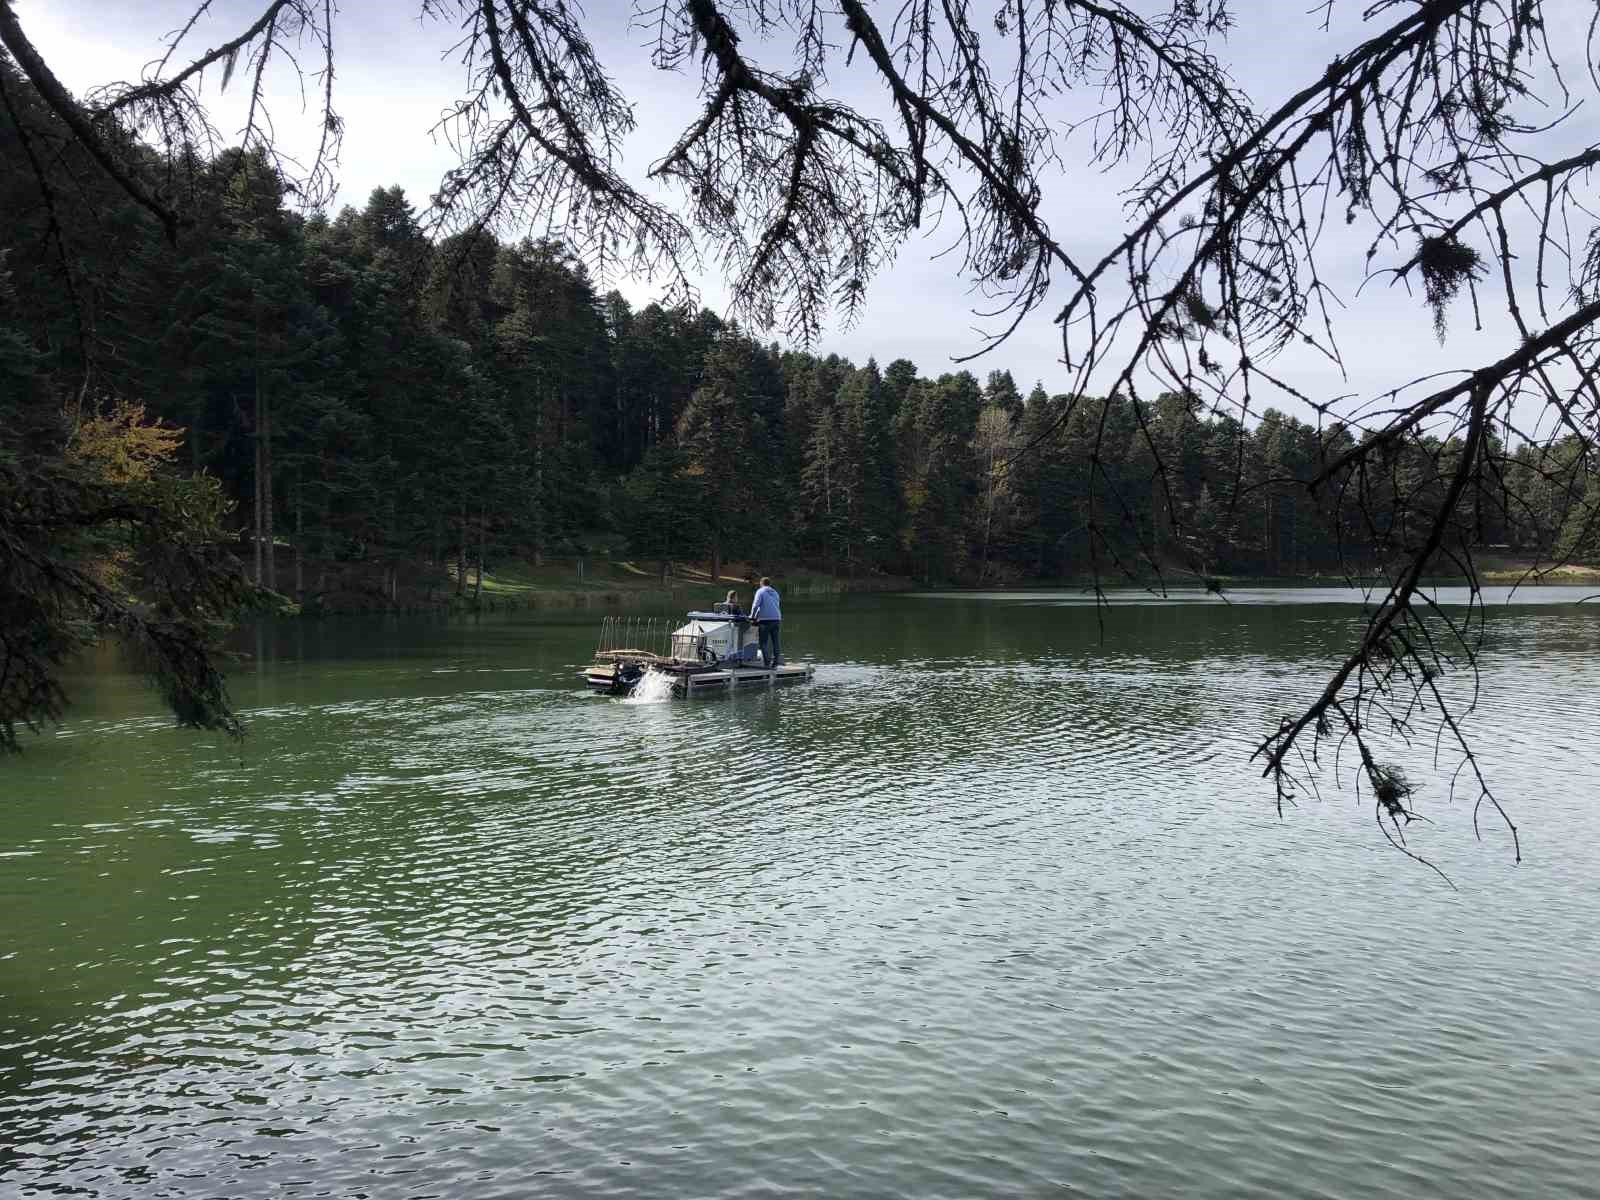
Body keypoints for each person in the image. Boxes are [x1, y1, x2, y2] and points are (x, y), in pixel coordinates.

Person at [748, 576, 782, 669]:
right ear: (769, 584)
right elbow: (776, 605)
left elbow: (755, 605)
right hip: (777, 619)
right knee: (776, 642)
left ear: (761, 583)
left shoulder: (761, 591)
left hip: (765, 620)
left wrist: (752, 616)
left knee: (763, 642)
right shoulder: (775, 592)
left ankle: (767, 663)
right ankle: (775, 662)